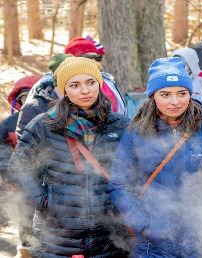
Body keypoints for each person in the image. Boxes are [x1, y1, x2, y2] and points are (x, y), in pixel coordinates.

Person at [9, 57, 130, 257]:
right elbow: (18, 169)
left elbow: (135, 170)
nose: (85, 90)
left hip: (109, 239)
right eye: (75, 85)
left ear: (99, 84)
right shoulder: (43, 125)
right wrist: (45, 201)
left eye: (90, 82)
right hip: (56, 240)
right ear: (64, 90)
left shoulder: (119, 125)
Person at [109, 57, 202, 258]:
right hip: (152, 245)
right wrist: (143, 224)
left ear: (190, 93)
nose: (175, 101)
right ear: (153, 96)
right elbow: (120, 185)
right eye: (165, 94)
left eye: (182, 93)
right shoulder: (136, 134)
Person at [17, 37, 126, 139]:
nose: (85, 90)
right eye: (75, 85)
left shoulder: (118, 121)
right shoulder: (38, 112)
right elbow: (25, 147)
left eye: (97, 58)